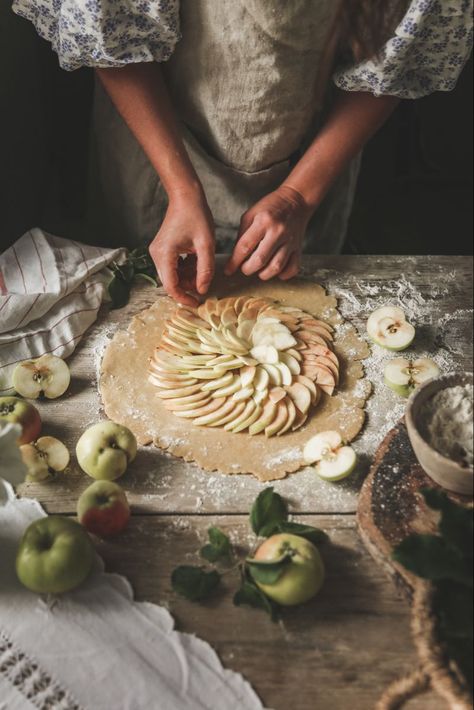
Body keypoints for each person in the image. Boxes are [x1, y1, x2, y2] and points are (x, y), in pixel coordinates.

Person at [13, 0, 473, 306]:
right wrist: (181, 188)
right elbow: (108, 33)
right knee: (131, 294)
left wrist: (298, 196)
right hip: (153, 134)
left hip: (311, 143)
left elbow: (395, 63)